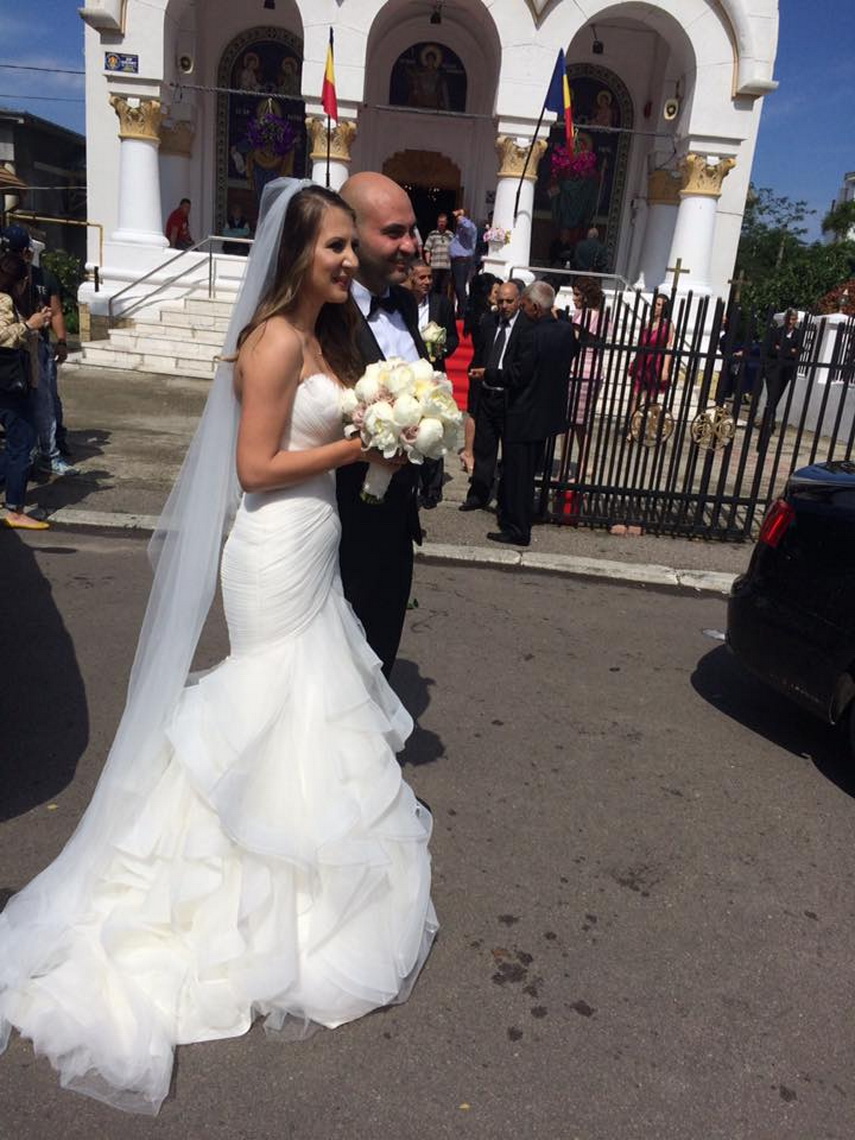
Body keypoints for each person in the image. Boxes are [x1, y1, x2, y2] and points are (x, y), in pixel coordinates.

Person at [0, 180, 437, 1114]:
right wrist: (358, 446)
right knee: (267, 695)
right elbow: (255, 466)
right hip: (272, 546)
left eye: (350, 247)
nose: (348, 260)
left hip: (313, 539)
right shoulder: (273, 340)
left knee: (309, 702)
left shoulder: (326, 335)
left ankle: (295, 876)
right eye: (333, 247)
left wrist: (391, 428)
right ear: (295, 254)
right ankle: (228, 884)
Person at [337, 171, 426, 678]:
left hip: (396, 527)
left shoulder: (406, 305)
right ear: (351, 235)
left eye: (412, 230)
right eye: (394, 233)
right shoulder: (323, 315)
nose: (411, 245)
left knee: (378, 665)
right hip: (338, 531)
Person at [488, 281, 577, 547]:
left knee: (518, 475)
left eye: (525, 305)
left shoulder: (532, 335)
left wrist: (489, 374)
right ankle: (521, 516)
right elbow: (573, 351)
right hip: (547, 413)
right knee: (528, 471)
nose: (522, 310)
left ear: (536, 308)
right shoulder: (564, 331)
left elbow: (518, 374)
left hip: (524, 413)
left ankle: (517, 528)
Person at [459, 279, 535, 512]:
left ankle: (506, 500)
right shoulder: (489, 322)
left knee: (511, 453)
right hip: (487, 394)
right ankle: (478, 494)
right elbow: (480, 354)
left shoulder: (527, 327)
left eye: (509, 301)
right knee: (484, 448)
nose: (504, 306)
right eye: (500, 301)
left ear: (519, 301)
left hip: (511, 397)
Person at [0, 242, 53, 529]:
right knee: (21, 443)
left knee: (19, 443)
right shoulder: (4, 301)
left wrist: (36, 323)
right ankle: (15, 509)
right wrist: (29, 325)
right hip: (9, 385)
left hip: (16, 383)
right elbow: (3, 336)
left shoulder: (11, 303)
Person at [406, 259, 459, 508]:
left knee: (435, 427)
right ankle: (410, 481)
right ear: (411, 278)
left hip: (433, 375)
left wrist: (441, 347)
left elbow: (453, 337)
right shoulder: (402, 303)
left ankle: (432, 487)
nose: (427, 282)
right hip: (408, 376)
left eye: (430, 277)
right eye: (422, 277)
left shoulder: (442, 304)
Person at [460, 272, 499, 474]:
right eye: (495, 292)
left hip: (482, 363)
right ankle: (468, 452)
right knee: (474, 411)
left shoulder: (479, 313)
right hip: (480, 364)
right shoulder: (484, 316)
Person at [569, 277, 607, 475]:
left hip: (578, 369)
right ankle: (584, 462)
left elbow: (572, 343)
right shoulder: (603, 317)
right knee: (582, 422)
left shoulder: (581, 315)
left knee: (570, 421)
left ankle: (569, 464)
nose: (574, 298)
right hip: (595, 371)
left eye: (576, 294)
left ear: (585, 296)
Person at [627, 293, 674, 429]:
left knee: (651, 399)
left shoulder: (668, 325)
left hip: (655, 363)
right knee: (635, 396)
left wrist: (665, 369)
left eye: (659, 305)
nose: (656, 307)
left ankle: (655, 426)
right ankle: (633, 428)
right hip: (641, 362)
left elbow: (669, 347)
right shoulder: (647, 323)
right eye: (655, 303)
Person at [757, 309, 803, 439]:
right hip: (773, 369)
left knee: (777, 396)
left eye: (793, 319)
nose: (791, 322)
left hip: (787, 370)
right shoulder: (776, 332)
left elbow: (799, 350)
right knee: (772, 394)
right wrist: (789, 350)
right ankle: (769, 421)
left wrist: (783, 348)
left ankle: (768, 419)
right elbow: (772, 348)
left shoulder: (798, 334)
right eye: (789, 319)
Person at [448, 208, 477, 318]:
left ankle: (463, 312)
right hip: (457, 261)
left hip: (462, 261)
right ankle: (459, 310)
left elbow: (467, 226)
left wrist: (460, 215)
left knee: (460, 287)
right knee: (456, 287)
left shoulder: (470, 227)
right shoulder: (460, 230)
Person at [422, 212, 453, 299]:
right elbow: (427, 249)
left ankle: (442, 305)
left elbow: (454, 250)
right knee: (433, 287)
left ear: (446, 222)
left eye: (443, 222)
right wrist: (428, 263)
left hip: (446, 266)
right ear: (437, 222)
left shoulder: (450, 235)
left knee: (444, 289)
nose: (441, 224)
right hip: (435, 266)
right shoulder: (432, 234)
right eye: (440, 222)